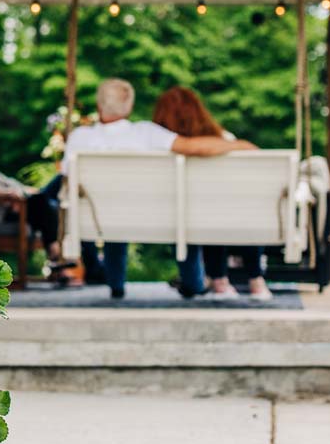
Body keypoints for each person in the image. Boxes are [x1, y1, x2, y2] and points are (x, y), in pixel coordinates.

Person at [62, 78, 257, 299]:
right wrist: (239, 145)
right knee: (182, 219)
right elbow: (191, 147)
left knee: (110, 214)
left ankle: (116, 285)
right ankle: (194, 283)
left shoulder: (79, 138)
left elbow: (67, 178)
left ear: (99, 105)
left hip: (99, 219)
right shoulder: (146, 133)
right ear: (130, 107)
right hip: (156, 216)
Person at [152, 85, 272, 301]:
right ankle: (256, 281)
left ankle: (218, 281)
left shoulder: (157, 144)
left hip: (174, 215)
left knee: (205, 213)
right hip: (220, 213)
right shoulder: (225, 140)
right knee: (235, 210)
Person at [0, 131, 62, 259]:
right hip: (4, 210)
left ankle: (55, 254)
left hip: (19, 199)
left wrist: (29, 191)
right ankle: (54, 253)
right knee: (47, 202)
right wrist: (8, 197)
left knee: (52, 196)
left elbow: (12, 185)